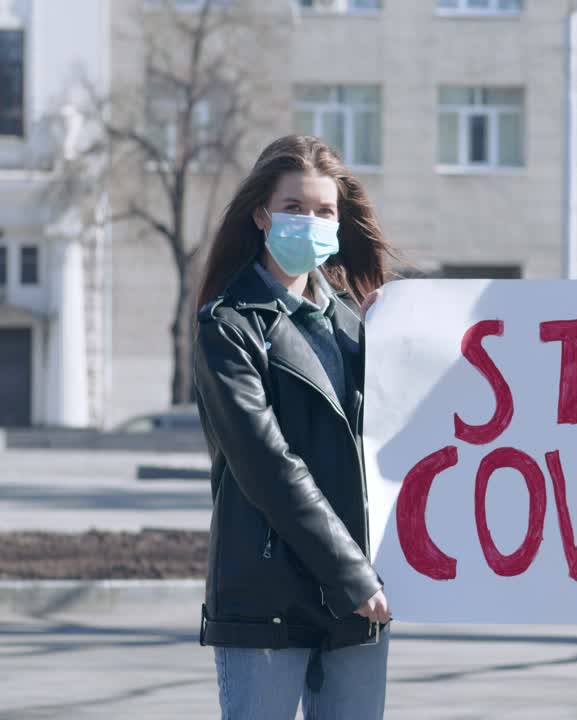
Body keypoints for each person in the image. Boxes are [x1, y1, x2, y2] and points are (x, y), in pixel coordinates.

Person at [193, 134, 396, 719]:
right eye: (293, 207)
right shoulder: (228, 326)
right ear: (261, 214)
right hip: (268, 598)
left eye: (324, 211)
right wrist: (352, 575)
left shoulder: (355, 325)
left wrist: (395, 339)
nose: (310, 222)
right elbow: (268, 465)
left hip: (358, 600)